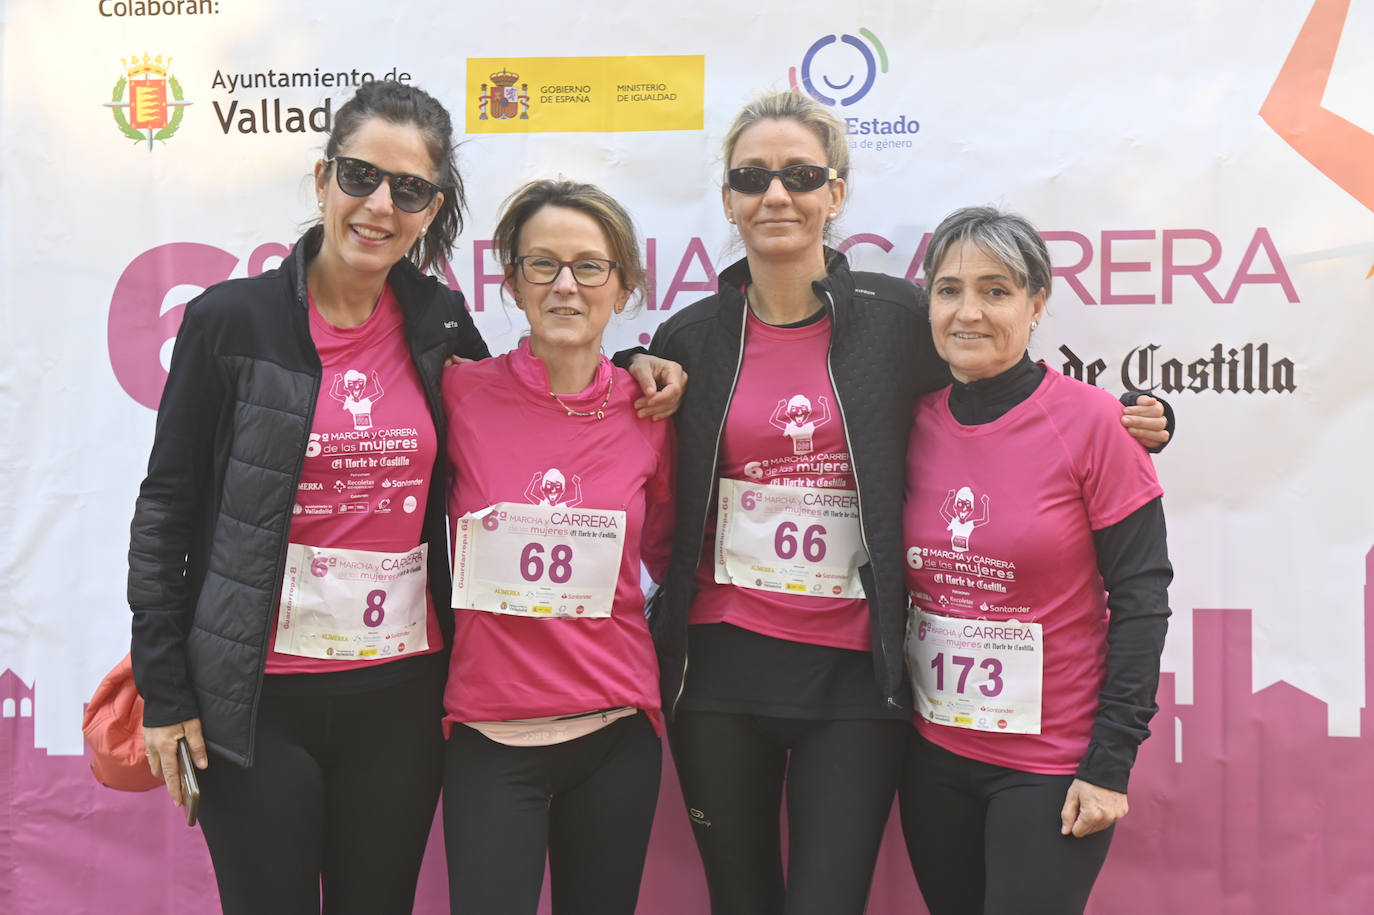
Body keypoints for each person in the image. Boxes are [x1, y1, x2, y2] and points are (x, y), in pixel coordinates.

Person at [127, 82, 681, 915]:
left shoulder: (439, 324)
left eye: (410, 189)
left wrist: (637, 359)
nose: (380, 204)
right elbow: (165, 509)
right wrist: (164, 691)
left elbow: (540, 393)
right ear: (323, 179)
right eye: (360, 175)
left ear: (432, 209)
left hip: (398, 697)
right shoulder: (229, 323)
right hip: (257, 697)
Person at [645, 89, 1172, 915]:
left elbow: (1010, 395)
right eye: (752, 176)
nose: (776, 193)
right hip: (721, 669)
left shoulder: (894, 321)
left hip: (860, 677)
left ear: (837, 193)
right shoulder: (688, 337)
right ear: (728, 198)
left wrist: (1137, 416)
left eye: (801, 174)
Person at [898, 206, 1173, 915]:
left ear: (1037, 303)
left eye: (996, 290)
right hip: (933, 759)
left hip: (1051, 765)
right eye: (949, 289)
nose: (969, 311)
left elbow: (1142, 600)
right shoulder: (909, 421)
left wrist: (1110, 764)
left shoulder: (1096, 425)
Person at [439, 179, 674, 915]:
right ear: (511, 281)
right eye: (542, 265)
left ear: (623, 284)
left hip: (614, 732)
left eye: (589, 266)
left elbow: (668, 554)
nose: (565, 284)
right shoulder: (457, 394)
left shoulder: (654, 411)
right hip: (489, 733)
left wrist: (640, 362)